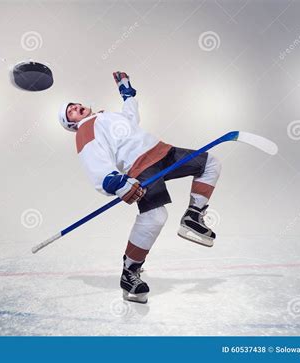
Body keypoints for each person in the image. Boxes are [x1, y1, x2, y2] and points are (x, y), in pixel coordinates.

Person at [58, 72, 222, 303]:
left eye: (74, 104)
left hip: (164, 151)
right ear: (72, 124)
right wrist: (113, 181)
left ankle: (193, 216)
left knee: (210, 163)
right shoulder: (86, 129)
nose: (75, 107)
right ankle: (130, 272)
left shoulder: (107, 117)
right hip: (141, 166)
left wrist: (127, 95)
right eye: (70, 111)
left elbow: (130, 119)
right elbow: (92, 159)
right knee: (155, 217)